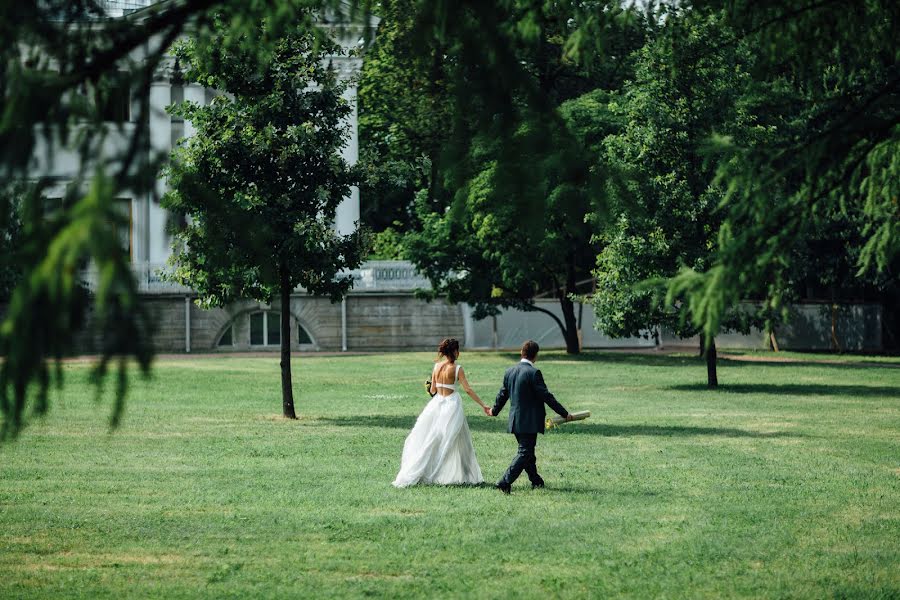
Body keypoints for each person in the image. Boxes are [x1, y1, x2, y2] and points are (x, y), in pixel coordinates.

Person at [392, 338, 491, 487]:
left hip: (436, 404)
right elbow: (468, 389)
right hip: (451, 405)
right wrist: (483, 405)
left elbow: (432, 390)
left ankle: (427, 471)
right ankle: (465, 475)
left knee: (431, 439)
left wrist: (429, 387)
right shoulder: (457, 368)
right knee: (456, 440)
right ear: (455, 351)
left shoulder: (436, 367)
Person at [489, 340, 573, 493]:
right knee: (525, 453)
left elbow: (503, 394)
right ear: (535, 356)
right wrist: (564, 413)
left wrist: (494, 411)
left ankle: (536, 480)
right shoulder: (534, 373)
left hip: (515, 420)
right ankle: (504, 482)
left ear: (522, 352)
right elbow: (546, 396)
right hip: (529, 421)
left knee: (528, 453)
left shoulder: (510, 371)